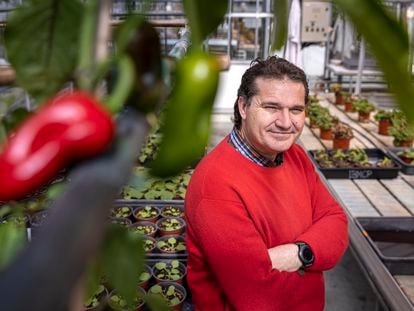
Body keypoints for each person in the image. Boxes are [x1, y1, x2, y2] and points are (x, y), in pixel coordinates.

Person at [184, 56, 349, 311]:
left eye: (296, 110)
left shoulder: (296, 157)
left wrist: (298, 253)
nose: (285, 122)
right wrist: (314, 258)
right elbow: (259, 298)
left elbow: (336, 222)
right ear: (243, 107)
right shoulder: (215, 187)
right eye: (271, 107)